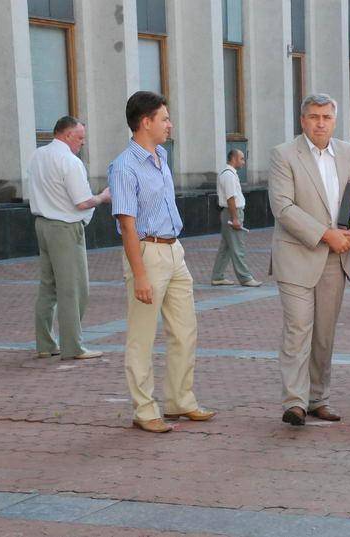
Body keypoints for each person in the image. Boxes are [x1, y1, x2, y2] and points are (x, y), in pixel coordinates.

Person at [109, 91, 215, 434]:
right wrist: (140, 275)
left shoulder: (162, 156)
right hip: (146, 252)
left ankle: (179, 400)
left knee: (185, 330)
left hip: (174, 249)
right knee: (142, 336)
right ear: (146, 122)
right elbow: (127, 226)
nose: (170, 125)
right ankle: (144, 409)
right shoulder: (124, 167)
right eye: (164, 119)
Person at [269, 93, 350, 426]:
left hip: (336, 257)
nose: (320, 123)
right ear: (303, 120)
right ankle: (295, 402)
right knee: (298, 328)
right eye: (313, 117)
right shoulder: (284, 154)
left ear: (334, 120)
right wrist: (326, 234)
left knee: (324, 334)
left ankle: (318, 398)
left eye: (326, 117)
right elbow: (283, 207)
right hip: (297, 256)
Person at [29, 116, 110, 361]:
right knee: (73, 289)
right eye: (80, 137)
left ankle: (45, 344)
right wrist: (103, 197)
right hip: (65, 228)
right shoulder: (70, 161)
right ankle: (73, 346)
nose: (82, 142)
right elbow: (82, 202)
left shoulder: (38, 155)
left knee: (48, 287)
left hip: (43, 224)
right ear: (67, 135)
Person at [210, 149, 262, 287]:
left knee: (226, 247)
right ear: (234, 158)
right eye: (242, 159)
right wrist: (235, 218)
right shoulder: (229, 175)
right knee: (238, 247)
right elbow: (230, 198)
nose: (244, 162)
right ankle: (245, 278)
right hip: (232, 212)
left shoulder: (228, 173)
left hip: (230, 212)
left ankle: (217, 276)